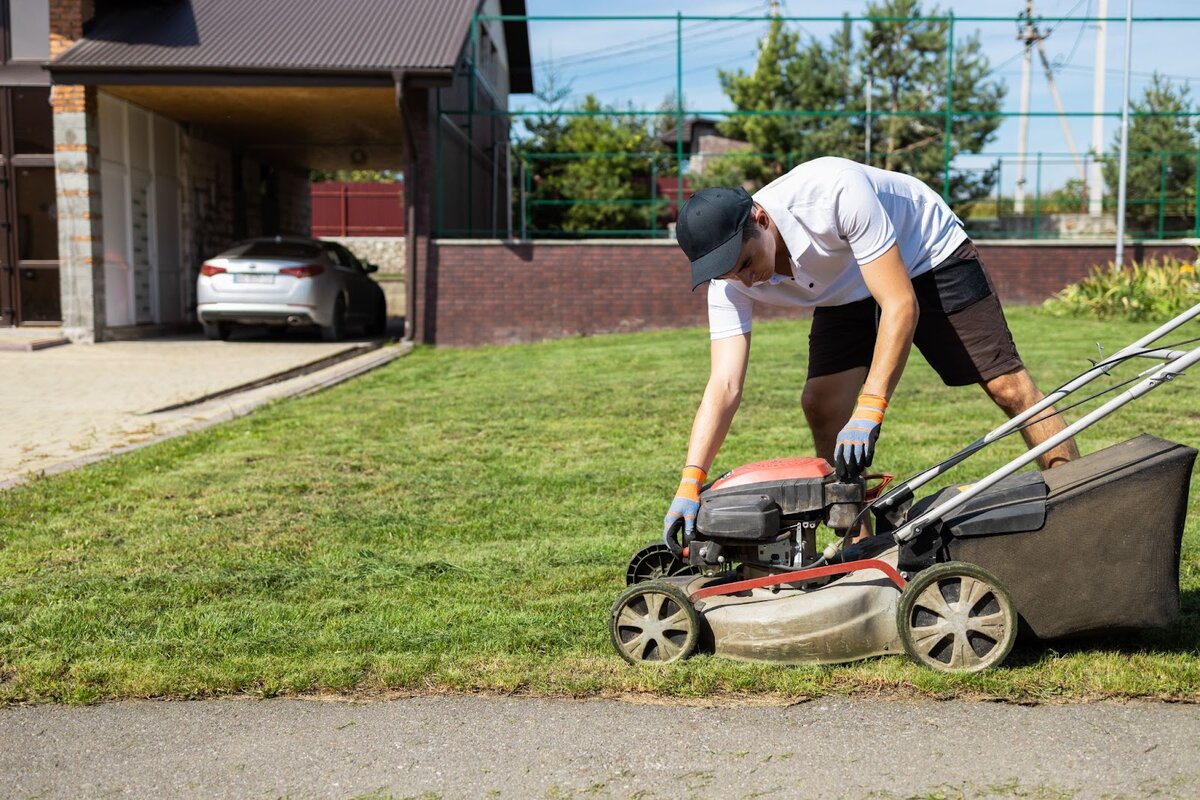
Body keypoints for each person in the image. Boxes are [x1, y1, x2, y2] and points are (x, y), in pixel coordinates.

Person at [664, 156, 1079, 539]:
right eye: (730, 274)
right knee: (822, 403)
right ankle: (859, 548)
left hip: (926, 252)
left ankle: (1079, 499)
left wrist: (870, 407)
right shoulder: (729, 281)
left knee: (1007, 386)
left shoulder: (833, 193)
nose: (744, 281)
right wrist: (690, 479)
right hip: (844, 288)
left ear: (761, 218)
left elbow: (900, 304)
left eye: (746, 263)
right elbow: (724, 385)